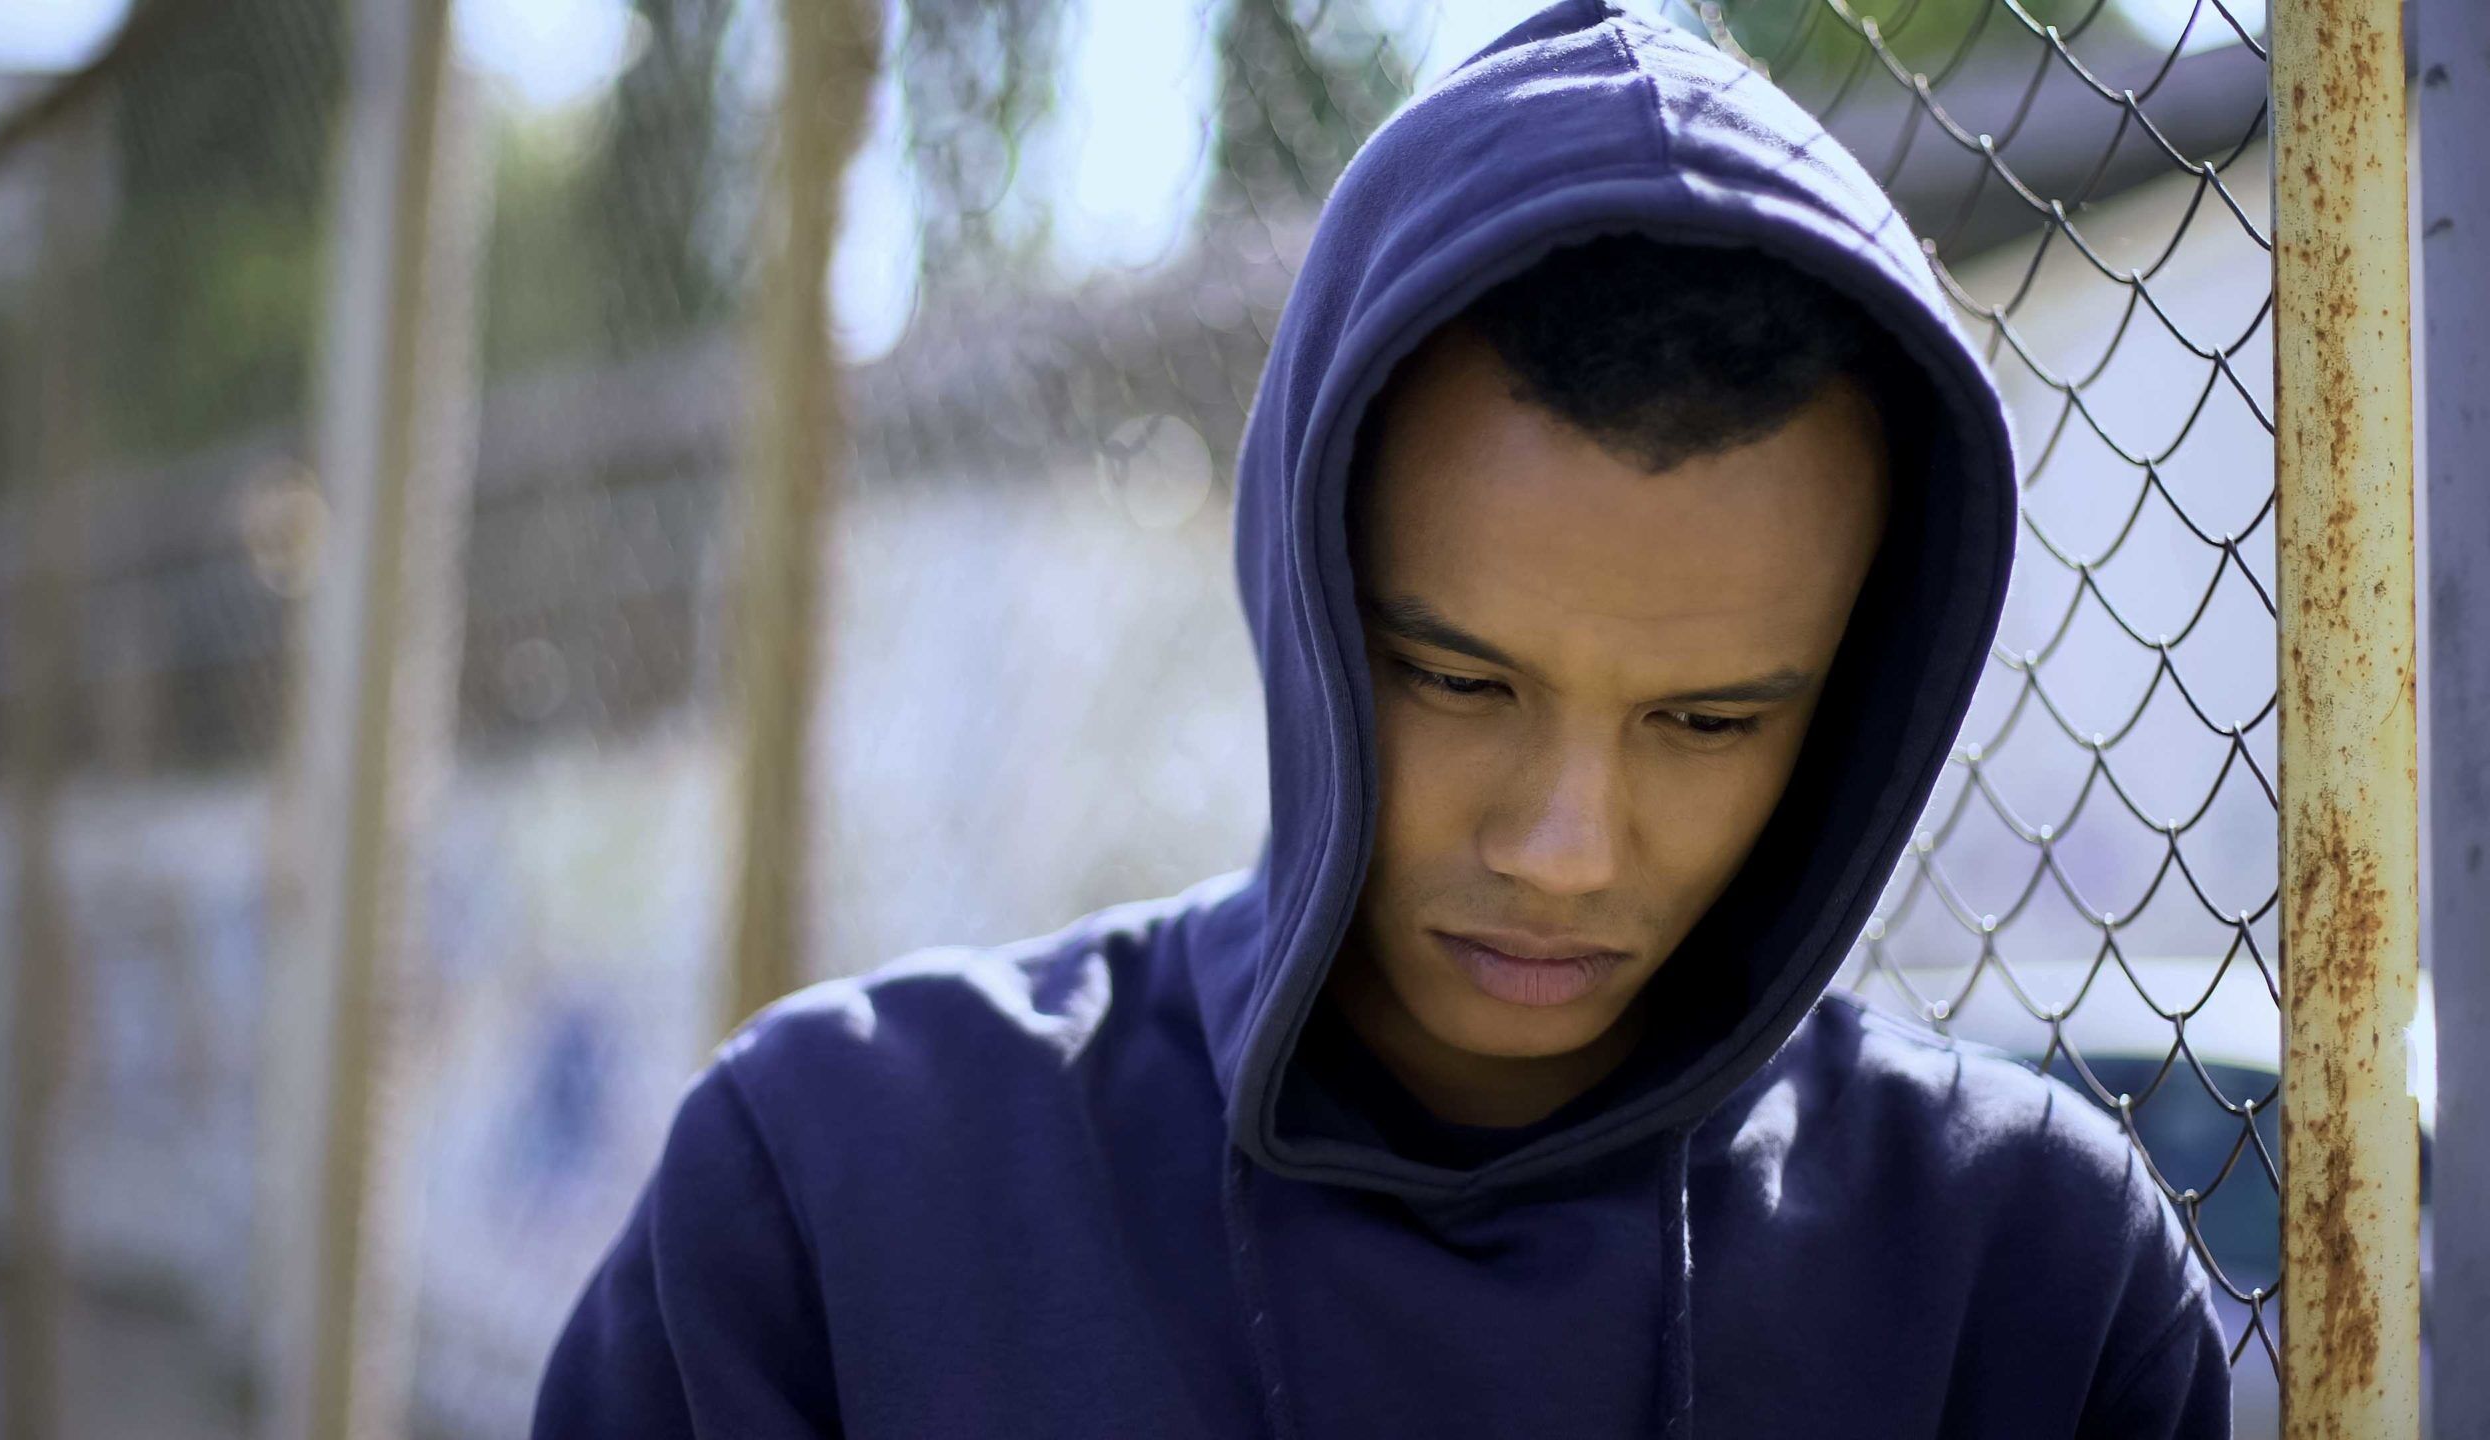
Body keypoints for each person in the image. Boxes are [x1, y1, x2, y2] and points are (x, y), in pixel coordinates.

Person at [532, 3, 2229, 1436]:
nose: (1566, 850)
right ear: (1301, 588)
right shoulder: (843, 1189)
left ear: (1857, 701)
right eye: (1460, 681)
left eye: (1707, 723)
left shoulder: (2030, 1286)